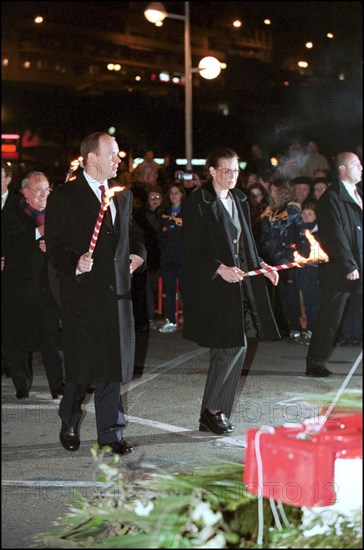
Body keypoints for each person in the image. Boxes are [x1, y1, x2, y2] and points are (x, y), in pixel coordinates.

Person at [45, 132, 146, 454]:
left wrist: (139, 254)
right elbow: (55, 246)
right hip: (84, 296)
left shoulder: (122, 195)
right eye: (113, 154)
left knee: (112, 367)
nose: (119, 159)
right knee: (81, 368)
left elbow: (135, 233)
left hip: (117, 295)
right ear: (91, 158)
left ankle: (110, 432)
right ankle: (70, 419)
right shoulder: (65, 196)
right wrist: (75, 262)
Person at [182, 147, 280, 435]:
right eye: (226, 170)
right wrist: (218, 268)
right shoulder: (198, 201)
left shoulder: (239, 198)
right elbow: (191, 250)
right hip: (213, 286)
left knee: (233, 345)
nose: (232, 176)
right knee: (231, 345)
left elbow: (247, 241)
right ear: (211, 171)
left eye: (236, 170)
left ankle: (213, 412)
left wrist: (263, 265)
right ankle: (213, 411)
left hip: (239, 285)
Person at [2, 170, 64, 399]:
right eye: (39, 190)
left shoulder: (56, 214)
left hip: (49, 286)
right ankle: (21, 384)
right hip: (21, 287)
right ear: (26, 192)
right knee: (19, 339)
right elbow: (10, 247)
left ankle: (58, 385)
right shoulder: (12, 215)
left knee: (51, 337)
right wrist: (37, 233)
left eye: (47, 190)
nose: (44, 195)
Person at [306, 152, 362, 377]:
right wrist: (349, 265)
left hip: (358, 266)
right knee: (330, 318)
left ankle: (315, 362)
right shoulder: (331, 198)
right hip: (341, 271)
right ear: (342, 169)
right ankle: (315, 363)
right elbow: (335, 235)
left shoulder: (356, 194)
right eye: (356, 164)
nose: (361, 168)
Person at [255, 180, 310, 339]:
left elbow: (299, 232)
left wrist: (302, 252)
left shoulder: (292, 207)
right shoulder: (268, 210)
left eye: (273, 190)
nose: (271, 194)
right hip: (269, 258)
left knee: (289, 297)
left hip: (287, 259)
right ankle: (276, 328)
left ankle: (292, 327)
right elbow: (262, 231)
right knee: (274, 296)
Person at [158, 182, 186, 333]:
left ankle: (191, 322)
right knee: (169, 292)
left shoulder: (187, 212)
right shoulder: (165, 214)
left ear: (182, 194)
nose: (174, 195)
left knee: (186, 291)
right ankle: (170, 320)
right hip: (168, 259)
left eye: (177, 192)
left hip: (183, 260)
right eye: (171, 193)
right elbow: (161, 236)